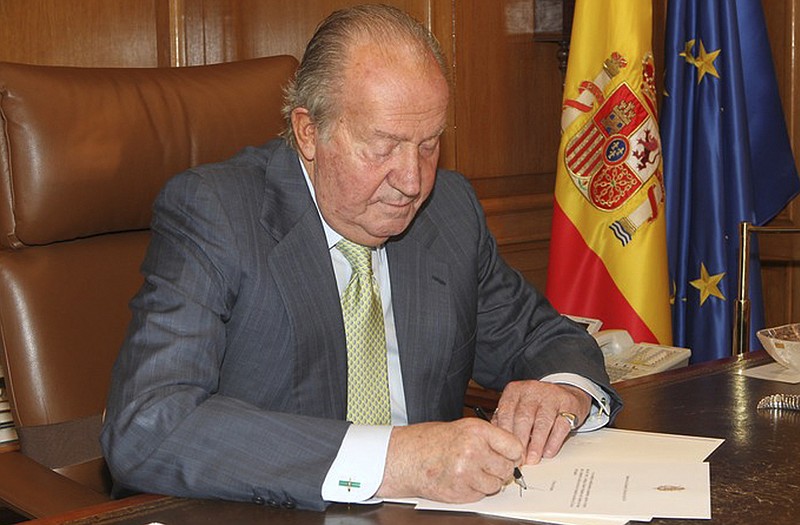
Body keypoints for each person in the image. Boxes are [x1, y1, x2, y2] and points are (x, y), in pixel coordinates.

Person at [100, 3, 622, 512]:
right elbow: (149, 425)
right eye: (384, 146)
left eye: (428, 144)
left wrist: (562, 393)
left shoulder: (449, 212)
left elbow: (546, 338)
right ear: (309, 132)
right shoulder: (220, 215)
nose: (413, 181)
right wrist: (397, 459)